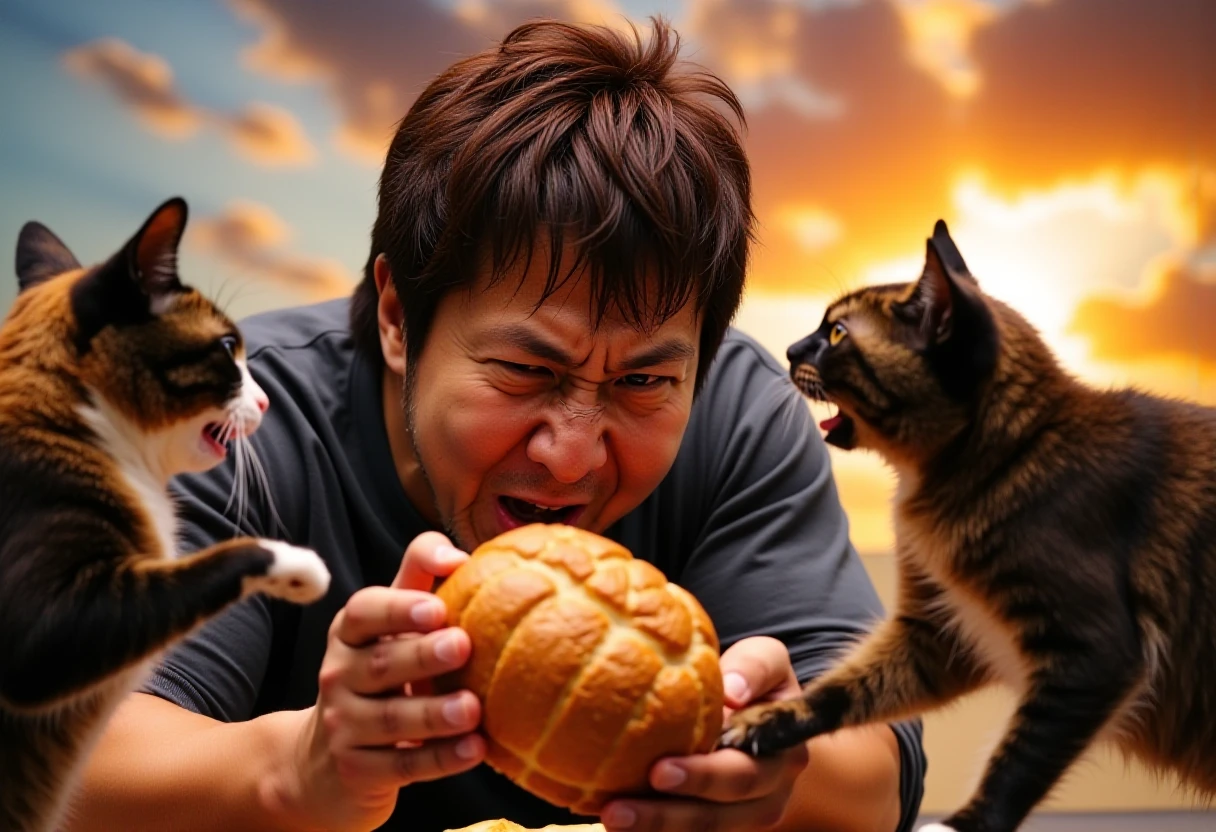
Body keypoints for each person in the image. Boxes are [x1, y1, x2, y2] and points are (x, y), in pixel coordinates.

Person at [72, 17, 925, 832]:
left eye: (642, 380)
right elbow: (73, 769)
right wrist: (300, 768)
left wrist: (771, 760)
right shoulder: (219, 417)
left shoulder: (740, 413)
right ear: (399, 318)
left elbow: (876, 783)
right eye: (527, 372)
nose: (570, 456)